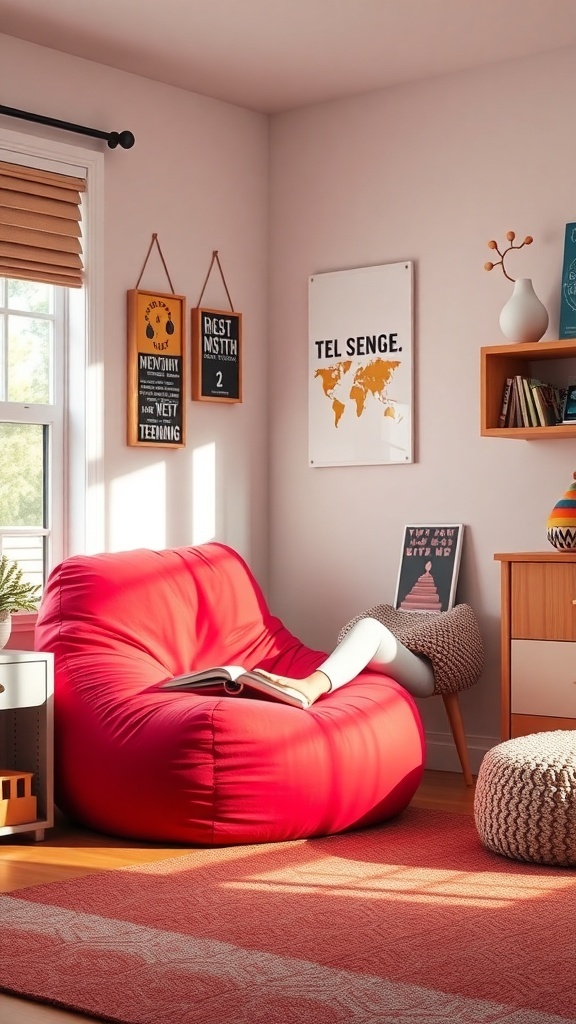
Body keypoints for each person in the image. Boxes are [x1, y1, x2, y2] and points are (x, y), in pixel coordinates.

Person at [256, 615, 435, 707]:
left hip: (429, 669)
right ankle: (311, 685)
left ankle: (311, 687)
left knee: (370, 628)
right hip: (408, 658)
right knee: (369, 628)